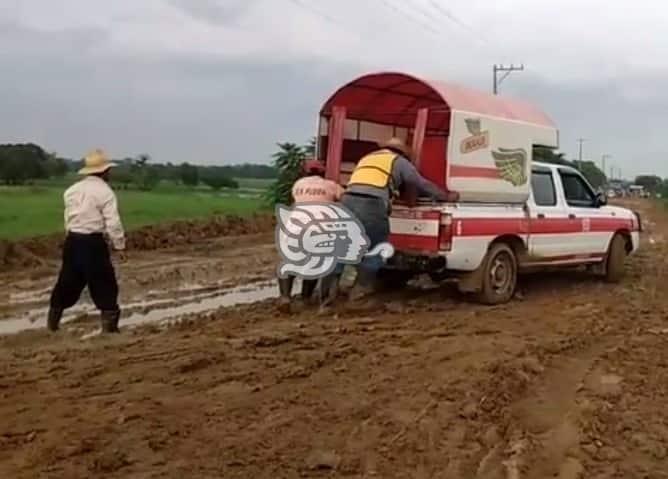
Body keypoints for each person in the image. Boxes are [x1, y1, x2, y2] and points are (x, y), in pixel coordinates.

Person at [341, 137, 448, 299]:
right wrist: (443, 195)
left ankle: (331, 292)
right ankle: (361, 290)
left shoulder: (367, 158)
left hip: (347, 201)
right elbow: (419, 183)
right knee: (377, 247)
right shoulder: (398, 161)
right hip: (370, 203)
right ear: (402, 153)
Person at [47, 149, 126, 333]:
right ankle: (110, 329)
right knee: (104, 283)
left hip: (73, 241)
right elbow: (113, 223)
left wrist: (71, 236)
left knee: (67, 281)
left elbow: (68, 217)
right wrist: (119, 245)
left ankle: (53, 324)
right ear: (105, 172)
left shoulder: (71, 191)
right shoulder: (105, 192)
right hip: (93, 243)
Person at [277, 158, 345, 313]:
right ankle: (305, 297)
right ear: (323, 172)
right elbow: (346, 200)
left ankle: (285, 297)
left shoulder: (298, 185)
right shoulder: (331, 185)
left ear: (305, 172)